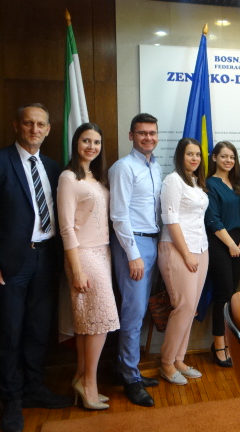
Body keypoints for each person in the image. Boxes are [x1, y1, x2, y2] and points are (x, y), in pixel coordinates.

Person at [0, 103, 72, 432]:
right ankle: (11, 400)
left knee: (38, 330)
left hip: (46, 259)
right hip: (9, 265)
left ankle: (34, 388)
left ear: (48, 129)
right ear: (16, 125)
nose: (34, 129)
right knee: (9, 332)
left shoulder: (53, 168)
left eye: (40, 124)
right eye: (28, 123)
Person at [57, 123, 119, 410]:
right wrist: (77, 269)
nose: (91, 146)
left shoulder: (97, 177)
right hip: (82, 255)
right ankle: (90, 384)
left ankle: (81, 377)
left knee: (88, 323)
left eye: (96, 142)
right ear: (76, 143)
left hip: (103, 252)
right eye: (86, 141)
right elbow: (66, 228)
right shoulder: (68, 177)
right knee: (101, 321)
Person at [109, 113, 161, 407]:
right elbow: (119, 216)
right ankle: (130, 379)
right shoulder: (123, 168)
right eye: (142, 133)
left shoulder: (156, 167)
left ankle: (128, 369)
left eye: (152, 133)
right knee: (133, 312)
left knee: (139, 312)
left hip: (152, 241)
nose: (148, 138)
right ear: (131, 136)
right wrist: (133, 255)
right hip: (133, 245)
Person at [158, 137, 209, 385]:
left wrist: (197, 252)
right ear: (180, 156)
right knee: (183, 307)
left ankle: (179, 359)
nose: (194, 158)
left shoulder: (196, 183)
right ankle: (166, 363)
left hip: (201, 248)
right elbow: (171, 220)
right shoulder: (173, 181)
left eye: (198, 154)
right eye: (190, 154)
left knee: (192, 307)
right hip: (177, 249)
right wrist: (187, 253)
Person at [205, 141, 240, 367]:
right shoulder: (209, 184)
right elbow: (212, 219)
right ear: (214, 158)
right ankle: (219, 346)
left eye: (232, 157)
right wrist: (231, 244)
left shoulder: (237, 184)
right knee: (223, 296)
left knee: (232, 296)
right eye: (223, 156)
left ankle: (229, 342)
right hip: (220, 242)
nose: (228, 160)